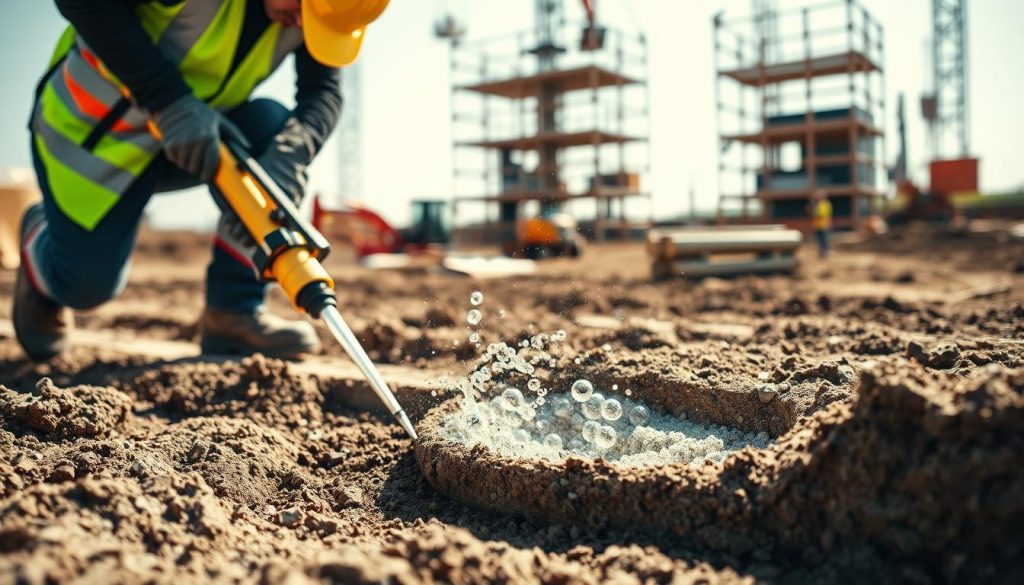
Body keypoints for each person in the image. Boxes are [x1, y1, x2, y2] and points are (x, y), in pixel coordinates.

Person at [14, 0, 389, 360]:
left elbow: (323, 92)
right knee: (84, 287)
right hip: (91, 144)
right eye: (304, 9)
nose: (305, 27)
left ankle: (234, 312)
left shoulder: (311, 15)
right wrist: (169, 101)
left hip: (193, 143)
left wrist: (294, 151)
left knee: (274, 132)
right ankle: (38, 246)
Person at [809, 188, 832, 258]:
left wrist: (815, 213)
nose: (816, 197)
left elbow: (821, 215)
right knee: (819, 241)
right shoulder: (817, 205)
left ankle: (825, 253)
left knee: (824, 240)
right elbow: (815, 215)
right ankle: (821, 253)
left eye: (818, 195)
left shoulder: (825, 204)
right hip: (818, 225)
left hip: (823, 225)